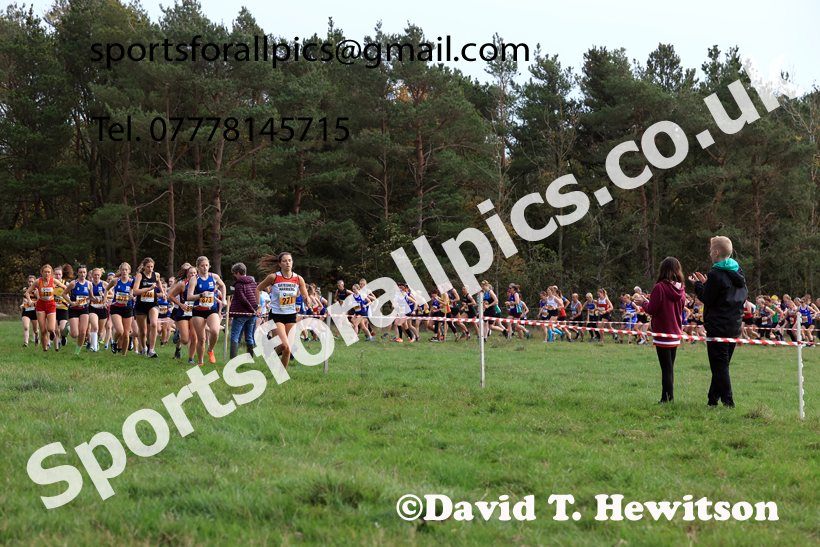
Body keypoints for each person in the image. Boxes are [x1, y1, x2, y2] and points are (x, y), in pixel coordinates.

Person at [691, 236, 748, 408]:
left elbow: (708, 299)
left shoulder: (716, 273)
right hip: (734, 326)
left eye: (710, 251)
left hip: (718, 327)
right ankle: (712, 401)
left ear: (716, 252)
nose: (709, 254)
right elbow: (728, 294)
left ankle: (728, 402)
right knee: (721, 365)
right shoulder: (738, 270)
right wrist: (707, 284)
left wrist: (698, 286)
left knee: (719, 367)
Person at [636, 257, 686, 403]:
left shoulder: (659, 287)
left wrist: (644, 302)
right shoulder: (681, 288)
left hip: (662, 333)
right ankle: (668, 397)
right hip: (675, 332)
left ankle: (666, 399)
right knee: (669, 368)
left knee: (666, 368)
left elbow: (652, 309)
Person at [255, 252, 310, 369]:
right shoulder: (273, 277)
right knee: (284, 344)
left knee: (287, 350)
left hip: (291, 316)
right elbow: (258, 289)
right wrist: (259, 305)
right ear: (280, 264)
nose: (288, 263)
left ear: (292, 262)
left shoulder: (298, 278)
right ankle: (272, 356)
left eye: (289, 260)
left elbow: (305, 297)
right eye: (285, 261)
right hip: (276, 316)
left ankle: (281, 374)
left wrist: (307, 301)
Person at [187, 256, 228, 366]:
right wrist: (200, 295)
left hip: (211, 309)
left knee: (214, 331)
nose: (205, 267)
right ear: (198, 267)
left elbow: (223, 286)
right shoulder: (194, 279)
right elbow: (189, 297)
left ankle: (210, 350)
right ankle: (201, 362)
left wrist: (223, 299)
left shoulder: (214, 277)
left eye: (206, 265)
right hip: (198, 311)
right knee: (201, 338)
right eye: (202, 266)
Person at [132, 257, 164, 358]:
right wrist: (149, 289)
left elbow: (159, 285)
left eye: (152, 267)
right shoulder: (139, 276)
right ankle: (144, 347)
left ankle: (152, 350)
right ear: (144, 267)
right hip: (141, 305)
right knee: (142, 331)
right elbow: (135, 292)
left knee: (154, 324)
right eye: (148, 267)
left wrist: (162, 292)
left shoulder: (156, 275)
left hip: (153, 304)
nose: (150, 269)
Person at [229, 262, 257, 358]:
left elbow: (242, 299)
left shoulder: (239, 284)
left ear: (238, 273)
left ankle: (233, 358)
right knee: (249, 336)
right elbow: (256, 297)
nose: (234, 276)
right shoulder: (253, 283)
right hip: (252, 314)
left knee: (235, 336)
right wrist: (254, 310)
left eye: (234, 274)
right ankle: (250, 357)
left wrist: (251, 309)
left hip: (241, 313)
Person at [20, 275, 39, 348]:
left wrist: (31, 302)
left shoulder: (36, 291)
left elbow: (39, 301)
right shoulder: (25, 290)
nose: (30, 283)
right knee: (26, 327)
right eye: (29, 281)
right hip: (26, 311)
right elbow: (23, 300)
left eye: (32, 281)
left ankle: (36, 337)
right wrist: (22, 304)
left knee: (35, 330)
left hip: (34, 312)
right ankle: (26, 343)